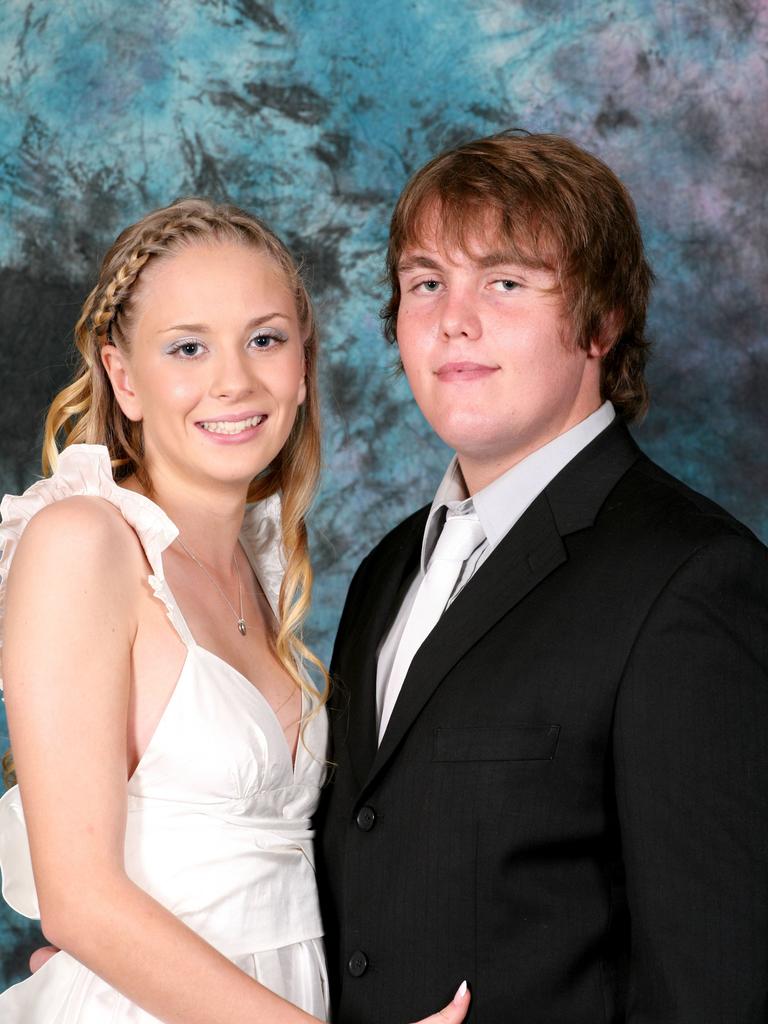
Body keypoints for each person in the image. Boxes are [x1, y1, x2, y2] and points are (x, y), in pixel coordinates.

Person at [316, 131, 768, 1022]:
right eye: (426, 282)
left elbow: (716, 983)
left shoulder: (692, 582)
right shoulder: (384, 571)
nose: (454, 318)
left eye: (507, 282)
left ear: (600, 324)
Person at [0, 198, 470, 1024]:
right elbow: (80, 902)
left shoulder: (256, 565)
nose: (235, 381)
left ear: (302, 364)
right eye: (188, 347)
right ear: (123, 377)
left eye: (265, 339)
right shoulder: (83, 540)